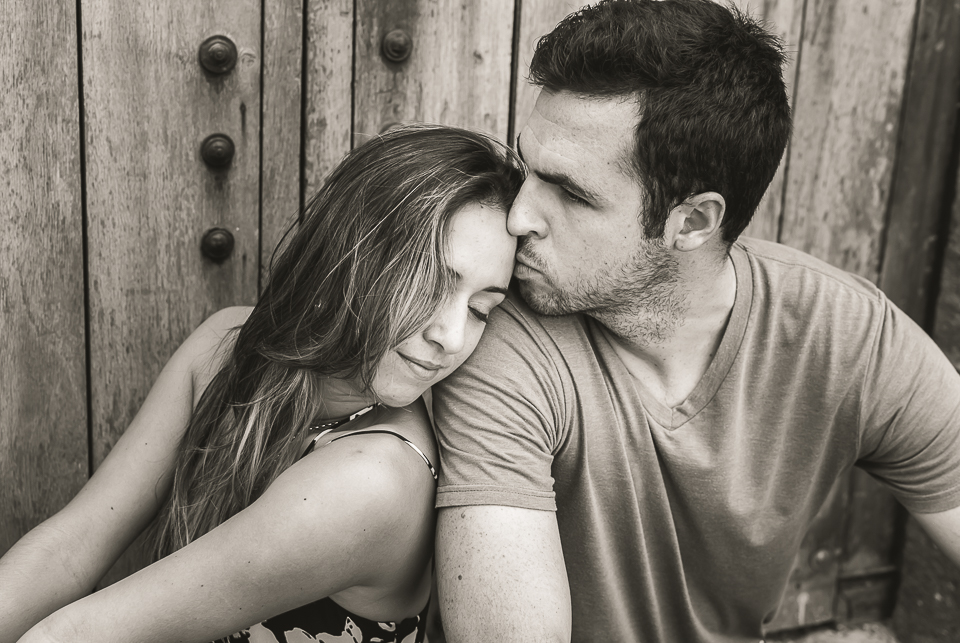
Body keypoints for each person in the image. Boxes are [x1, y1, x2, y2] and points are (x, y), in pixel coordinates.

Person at [431, 1, 960, 641]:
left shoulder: (843, 337)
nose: (518, 217)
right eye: (527, 169)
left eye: (570, 193)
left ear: (693, 222)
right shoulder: (499, 337)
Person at [0, 124, 523, 643]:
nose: (451, 336)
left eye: (481, 310)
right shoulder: (222, 349)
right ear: (355, 252)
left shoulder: (375, 477)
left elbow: (81, 633)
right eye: (431, 283)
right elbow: (70, 548)